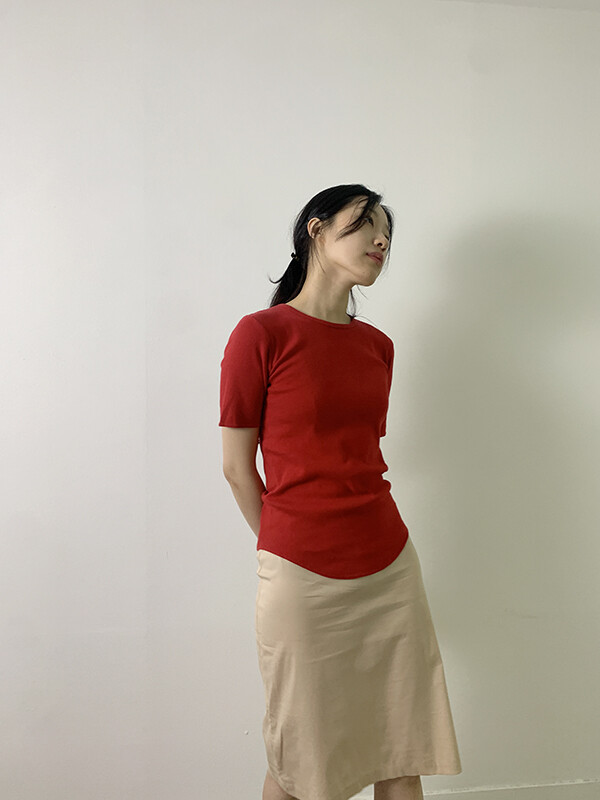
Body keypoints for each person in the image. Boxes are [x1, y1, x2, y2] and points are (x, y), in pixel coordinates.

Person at [219, 184, 462, 800]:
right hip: (300, 572)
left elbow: (356, 455)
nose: (381, 241)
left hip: (390, 566)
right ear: (317, 229)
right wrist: (283, 543)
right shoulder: (261, 334)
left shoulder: (377, 346)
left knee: (401, 749)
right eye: (365, 225)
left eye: (388, 233)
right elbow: (237, 468)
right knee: (301, 758)